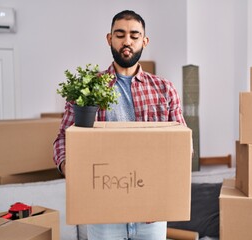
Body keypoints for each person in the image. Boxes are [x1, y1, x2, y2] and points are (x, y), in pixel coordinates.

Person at [53, 10, 186, 240]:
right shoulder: (88, 89)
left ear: (144, 41)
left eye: (135, 36)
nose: (127, 41)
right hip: (104, 214)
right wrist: (71, 170)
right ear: (109, 39)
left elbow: (183, 143)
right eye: (120, 34)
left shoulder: (165, 90)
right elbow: (63, 140)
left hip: (151, 212)